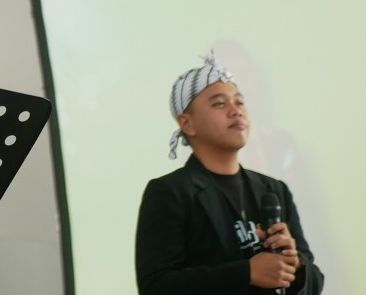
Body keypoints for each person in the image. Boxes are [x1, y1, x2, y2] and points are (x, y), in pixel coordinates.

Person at [135, 54, 324, 295]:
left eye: (240, 102)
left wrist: (296, 264)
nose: (236, 111)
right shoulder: (171, 192)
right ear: (187, 123)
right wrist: (246, 273)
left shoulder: (275, 190)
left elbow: (315, 283)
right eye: (219, 104)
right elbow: (155, 286)